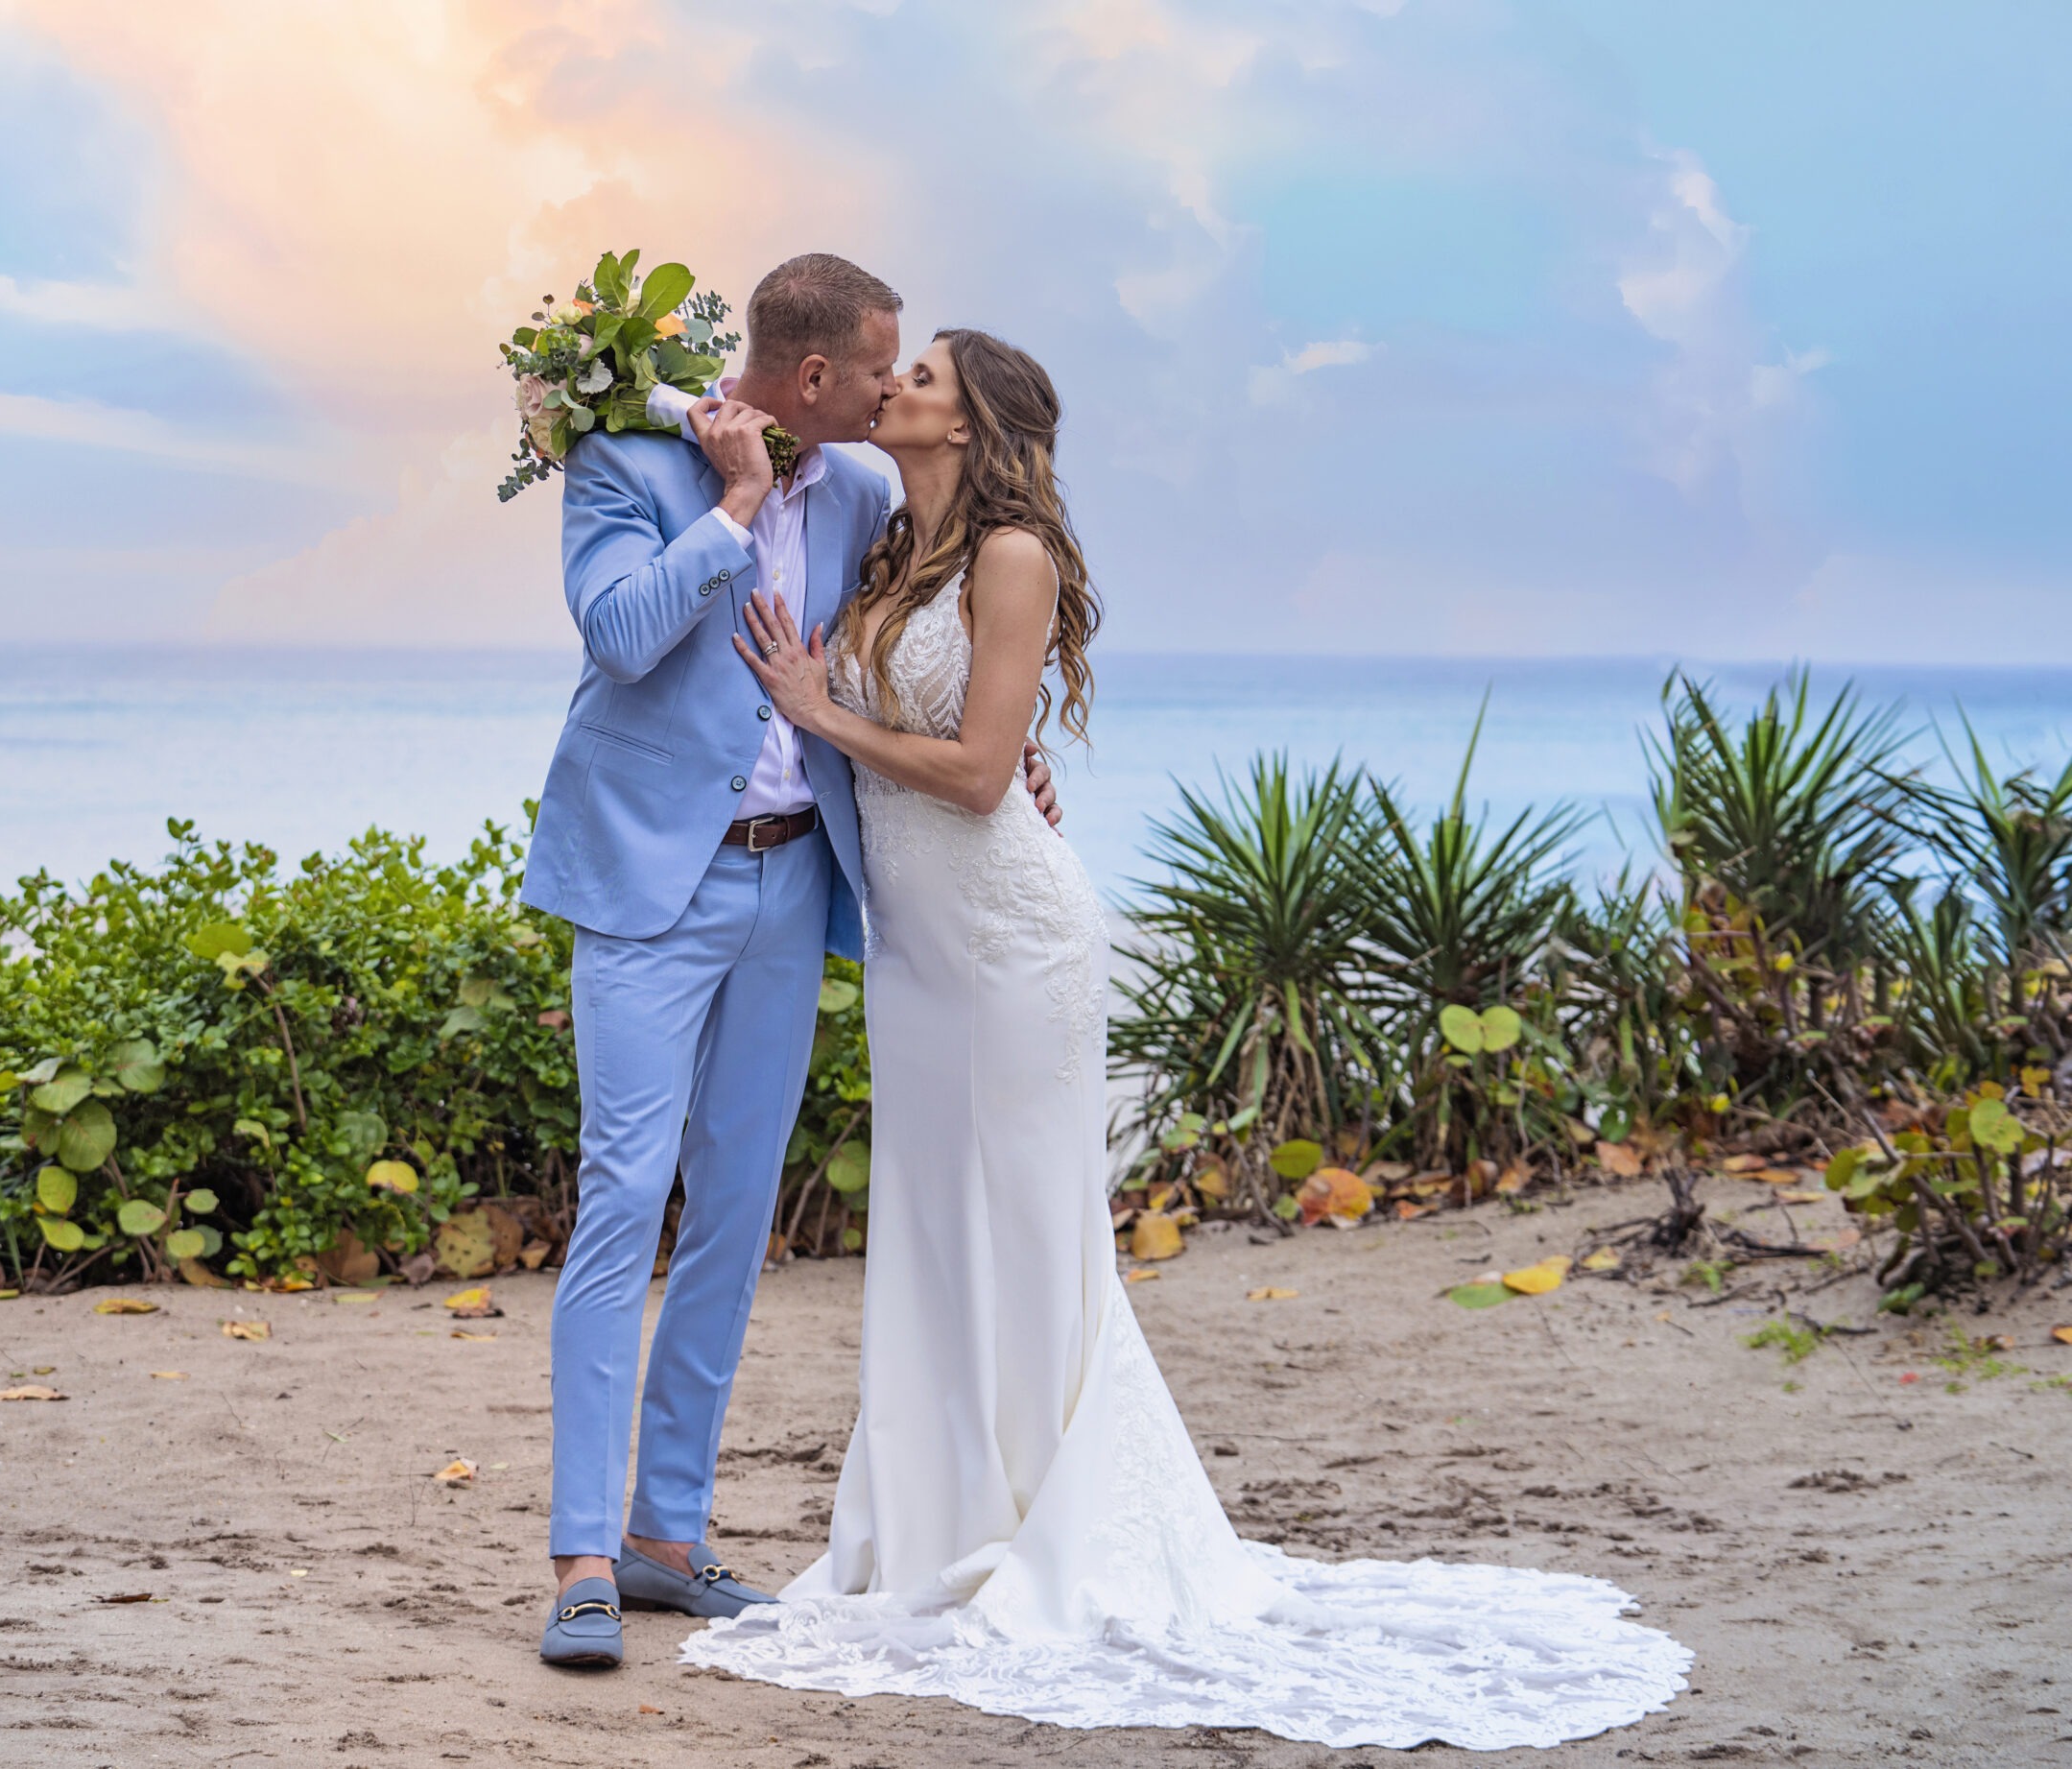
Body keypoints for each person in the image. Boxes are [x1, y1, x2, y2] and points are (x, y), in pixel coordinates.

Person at [692, 327, 1694, 1750]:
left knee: (1037, 1236)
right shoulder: (889, 556)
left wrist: (816, 714)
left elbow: (981, 777)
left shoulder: (1012, 557)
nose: (894, 386)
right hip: (916, 951)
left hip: (1013, 939)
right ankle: (935, 1526)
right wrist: (809, 696)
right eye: (897, 369)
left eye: (922, 377)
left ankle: (1059, 1528)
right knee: (931, 1230)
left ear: (972, 426)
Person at [518, 255, 1058, 1669]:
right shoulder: (630, 461)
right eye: (882, 370)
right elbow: (622, 637)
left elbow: (915, 640)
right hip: (649, 887)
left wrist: (1019, 751)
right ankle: (582, 1553)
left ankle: (668, 1538)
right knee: (624, 1195)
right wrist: (738, 508)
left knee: (736, 1209)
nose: (895, 391)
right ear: (812, 378)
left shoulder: (874, 492)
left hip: (794, 880)